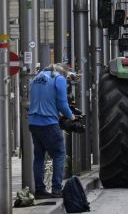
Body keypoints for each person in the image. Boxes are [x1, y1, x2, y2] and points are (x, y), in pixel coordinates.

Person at [28, 64, 76, 199]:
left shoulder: (35, 79)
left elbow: (42, 101)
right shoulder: (58, 78)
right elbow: (62, 103)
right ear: (62, 72)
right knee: (59, 154)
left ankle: (39, 190)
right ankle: (56, 189)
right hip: (48, 123)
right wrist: (71, 116)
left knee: (39, 157)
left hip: (33, 123)